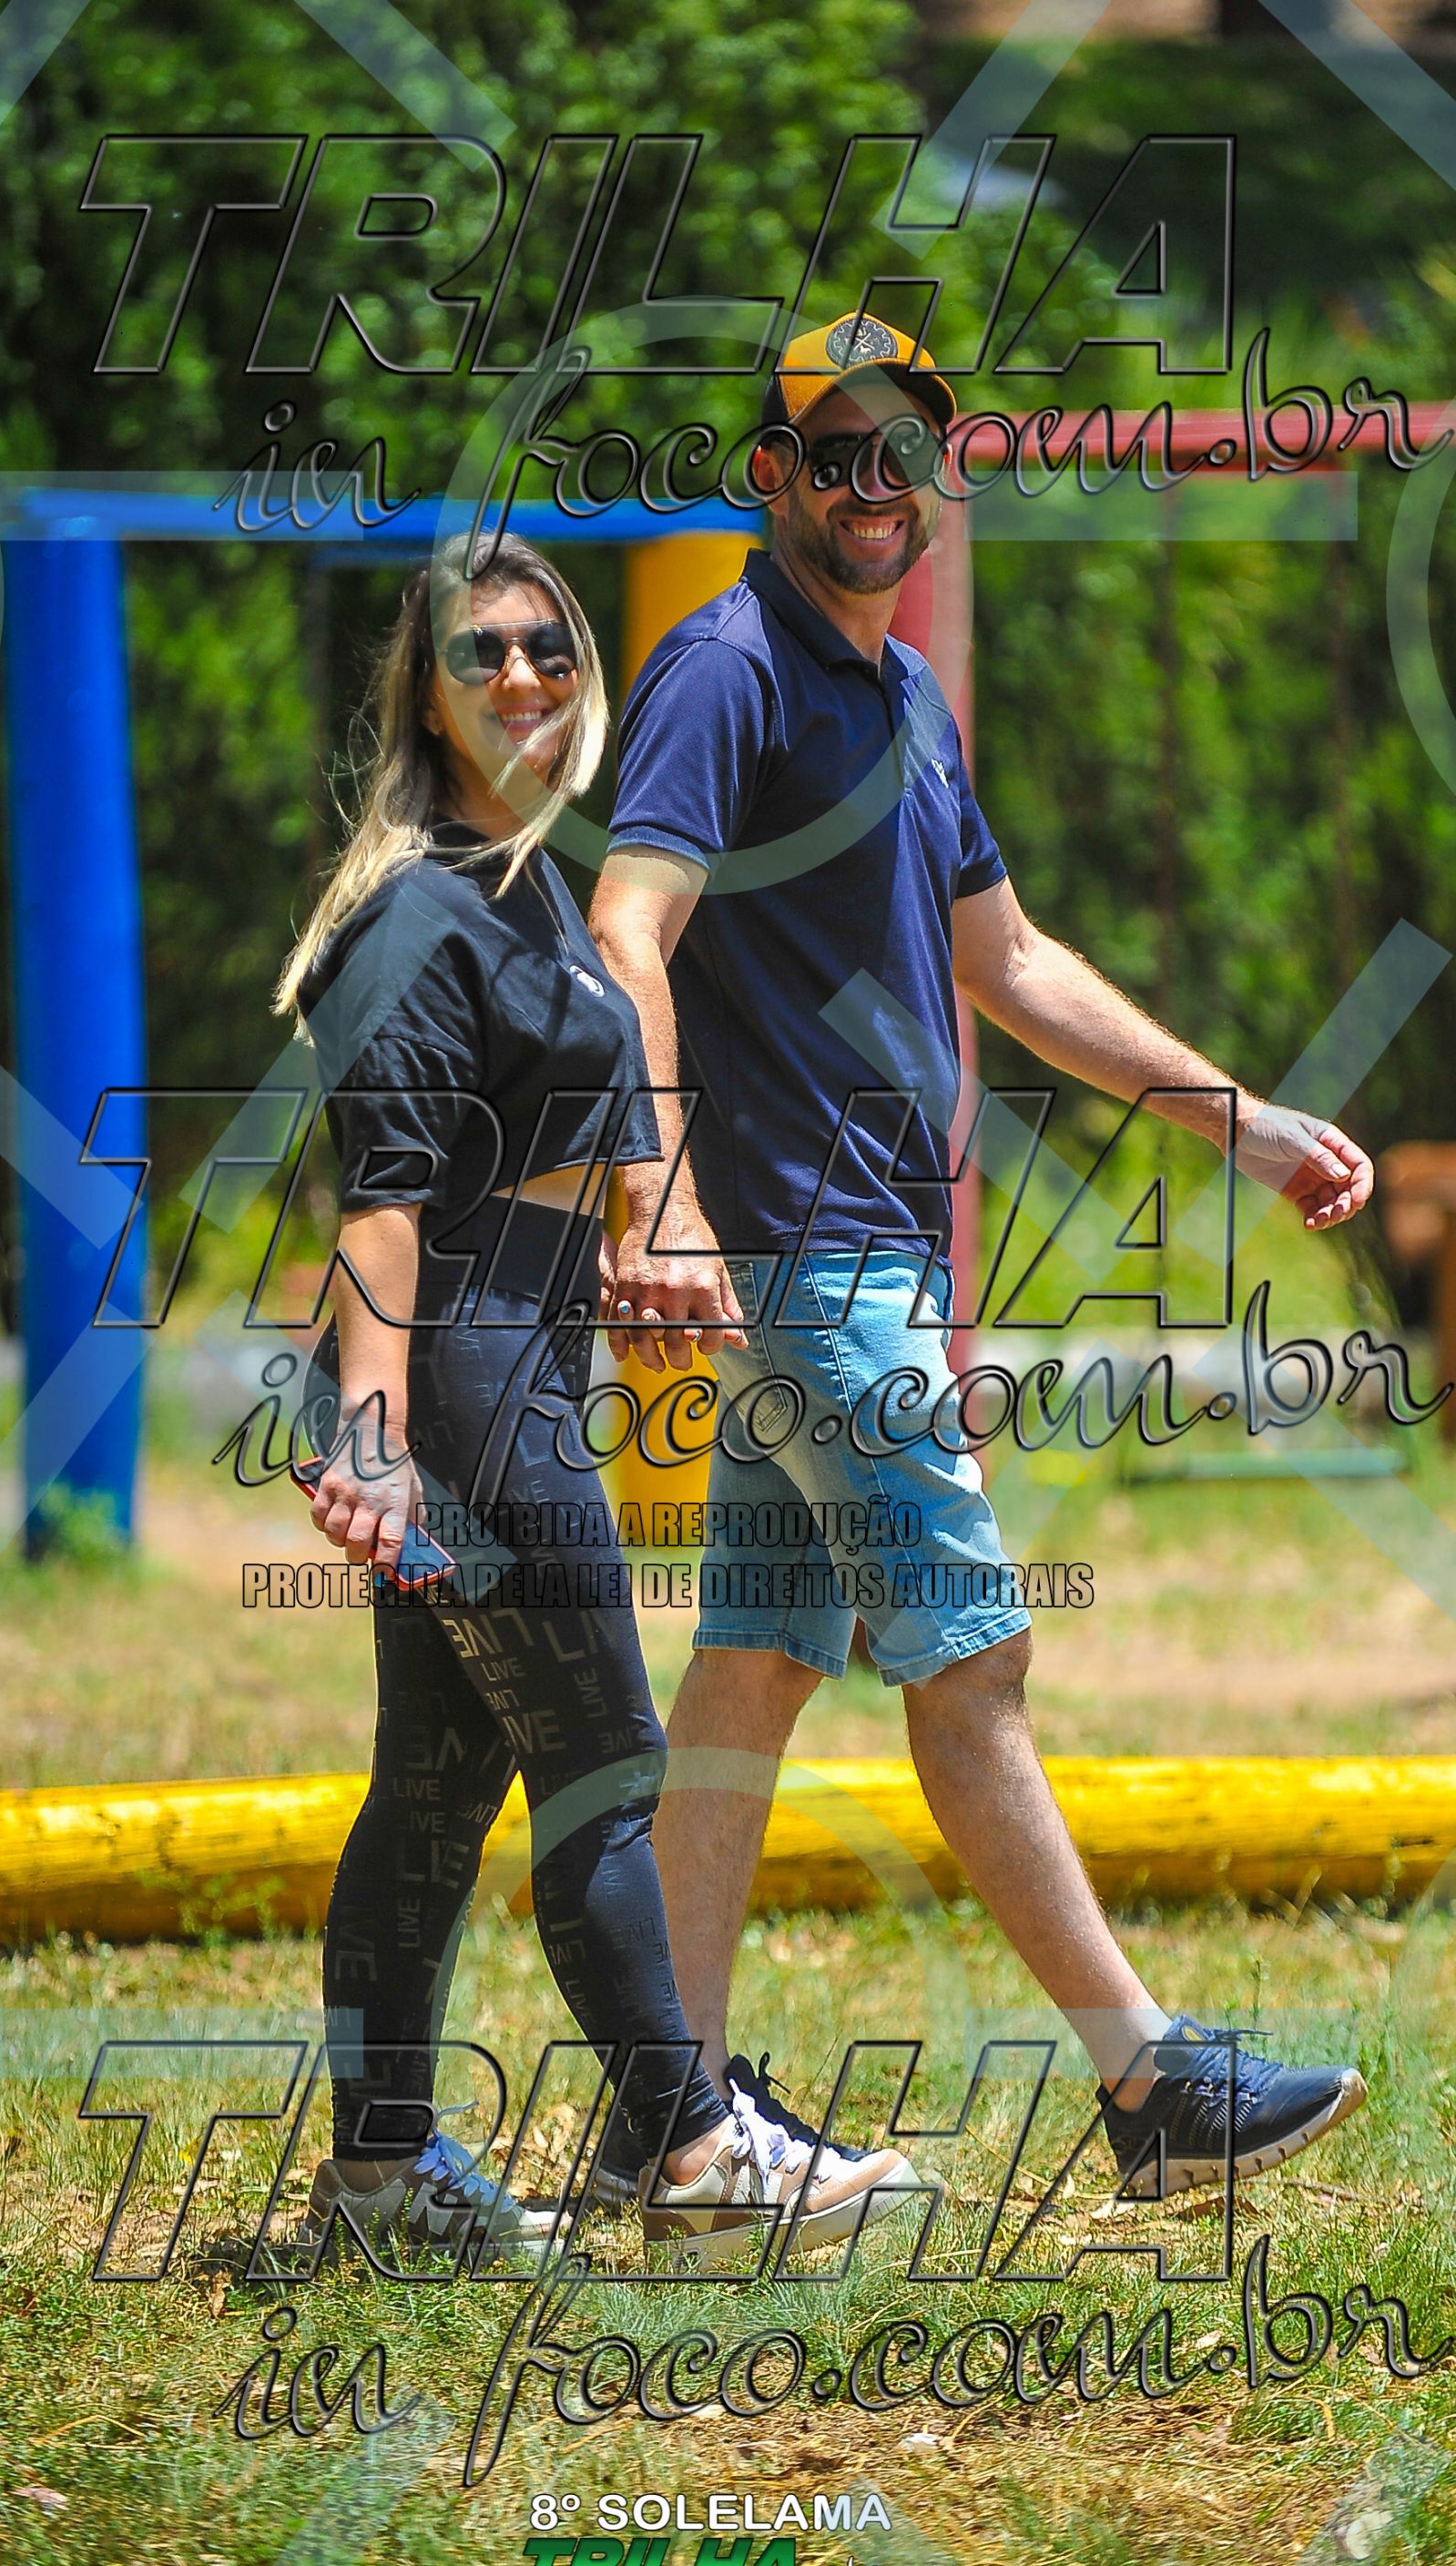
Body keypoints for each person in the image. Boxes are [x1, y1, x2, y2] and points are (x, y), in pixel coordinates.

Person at [588, 312, 1372, 2204]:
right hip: (793, 1253)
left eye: (906, 453)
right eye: (836, 453)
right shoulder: (727, 670)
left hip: (858, 1254)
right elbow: (626, 930)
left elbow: (1008, 963)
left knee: (755, 1667)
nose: (877, 485)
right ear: (771, 479)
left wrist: (1239, 1119)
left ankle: (667, 2121)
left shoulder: (907, 700)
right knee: (976, 1651)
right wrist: (656, 1199)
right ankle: (1148, 2084)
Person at [273, 533, 910, 2265]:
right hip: (470, 1383)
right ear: (425, 694)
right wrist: (372, 1435)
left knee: (434, 1786)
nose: (523, 678)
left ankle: (381, 2181)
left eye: (550, 650)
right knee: (608, 1772)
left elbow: (557, 1148)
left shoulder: (527, 894)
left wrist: (637, 1252)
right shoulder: (416, 911)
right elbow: (386, 1203)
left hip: (524, 1353)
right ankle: (694, 2157)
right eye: (480, 652)